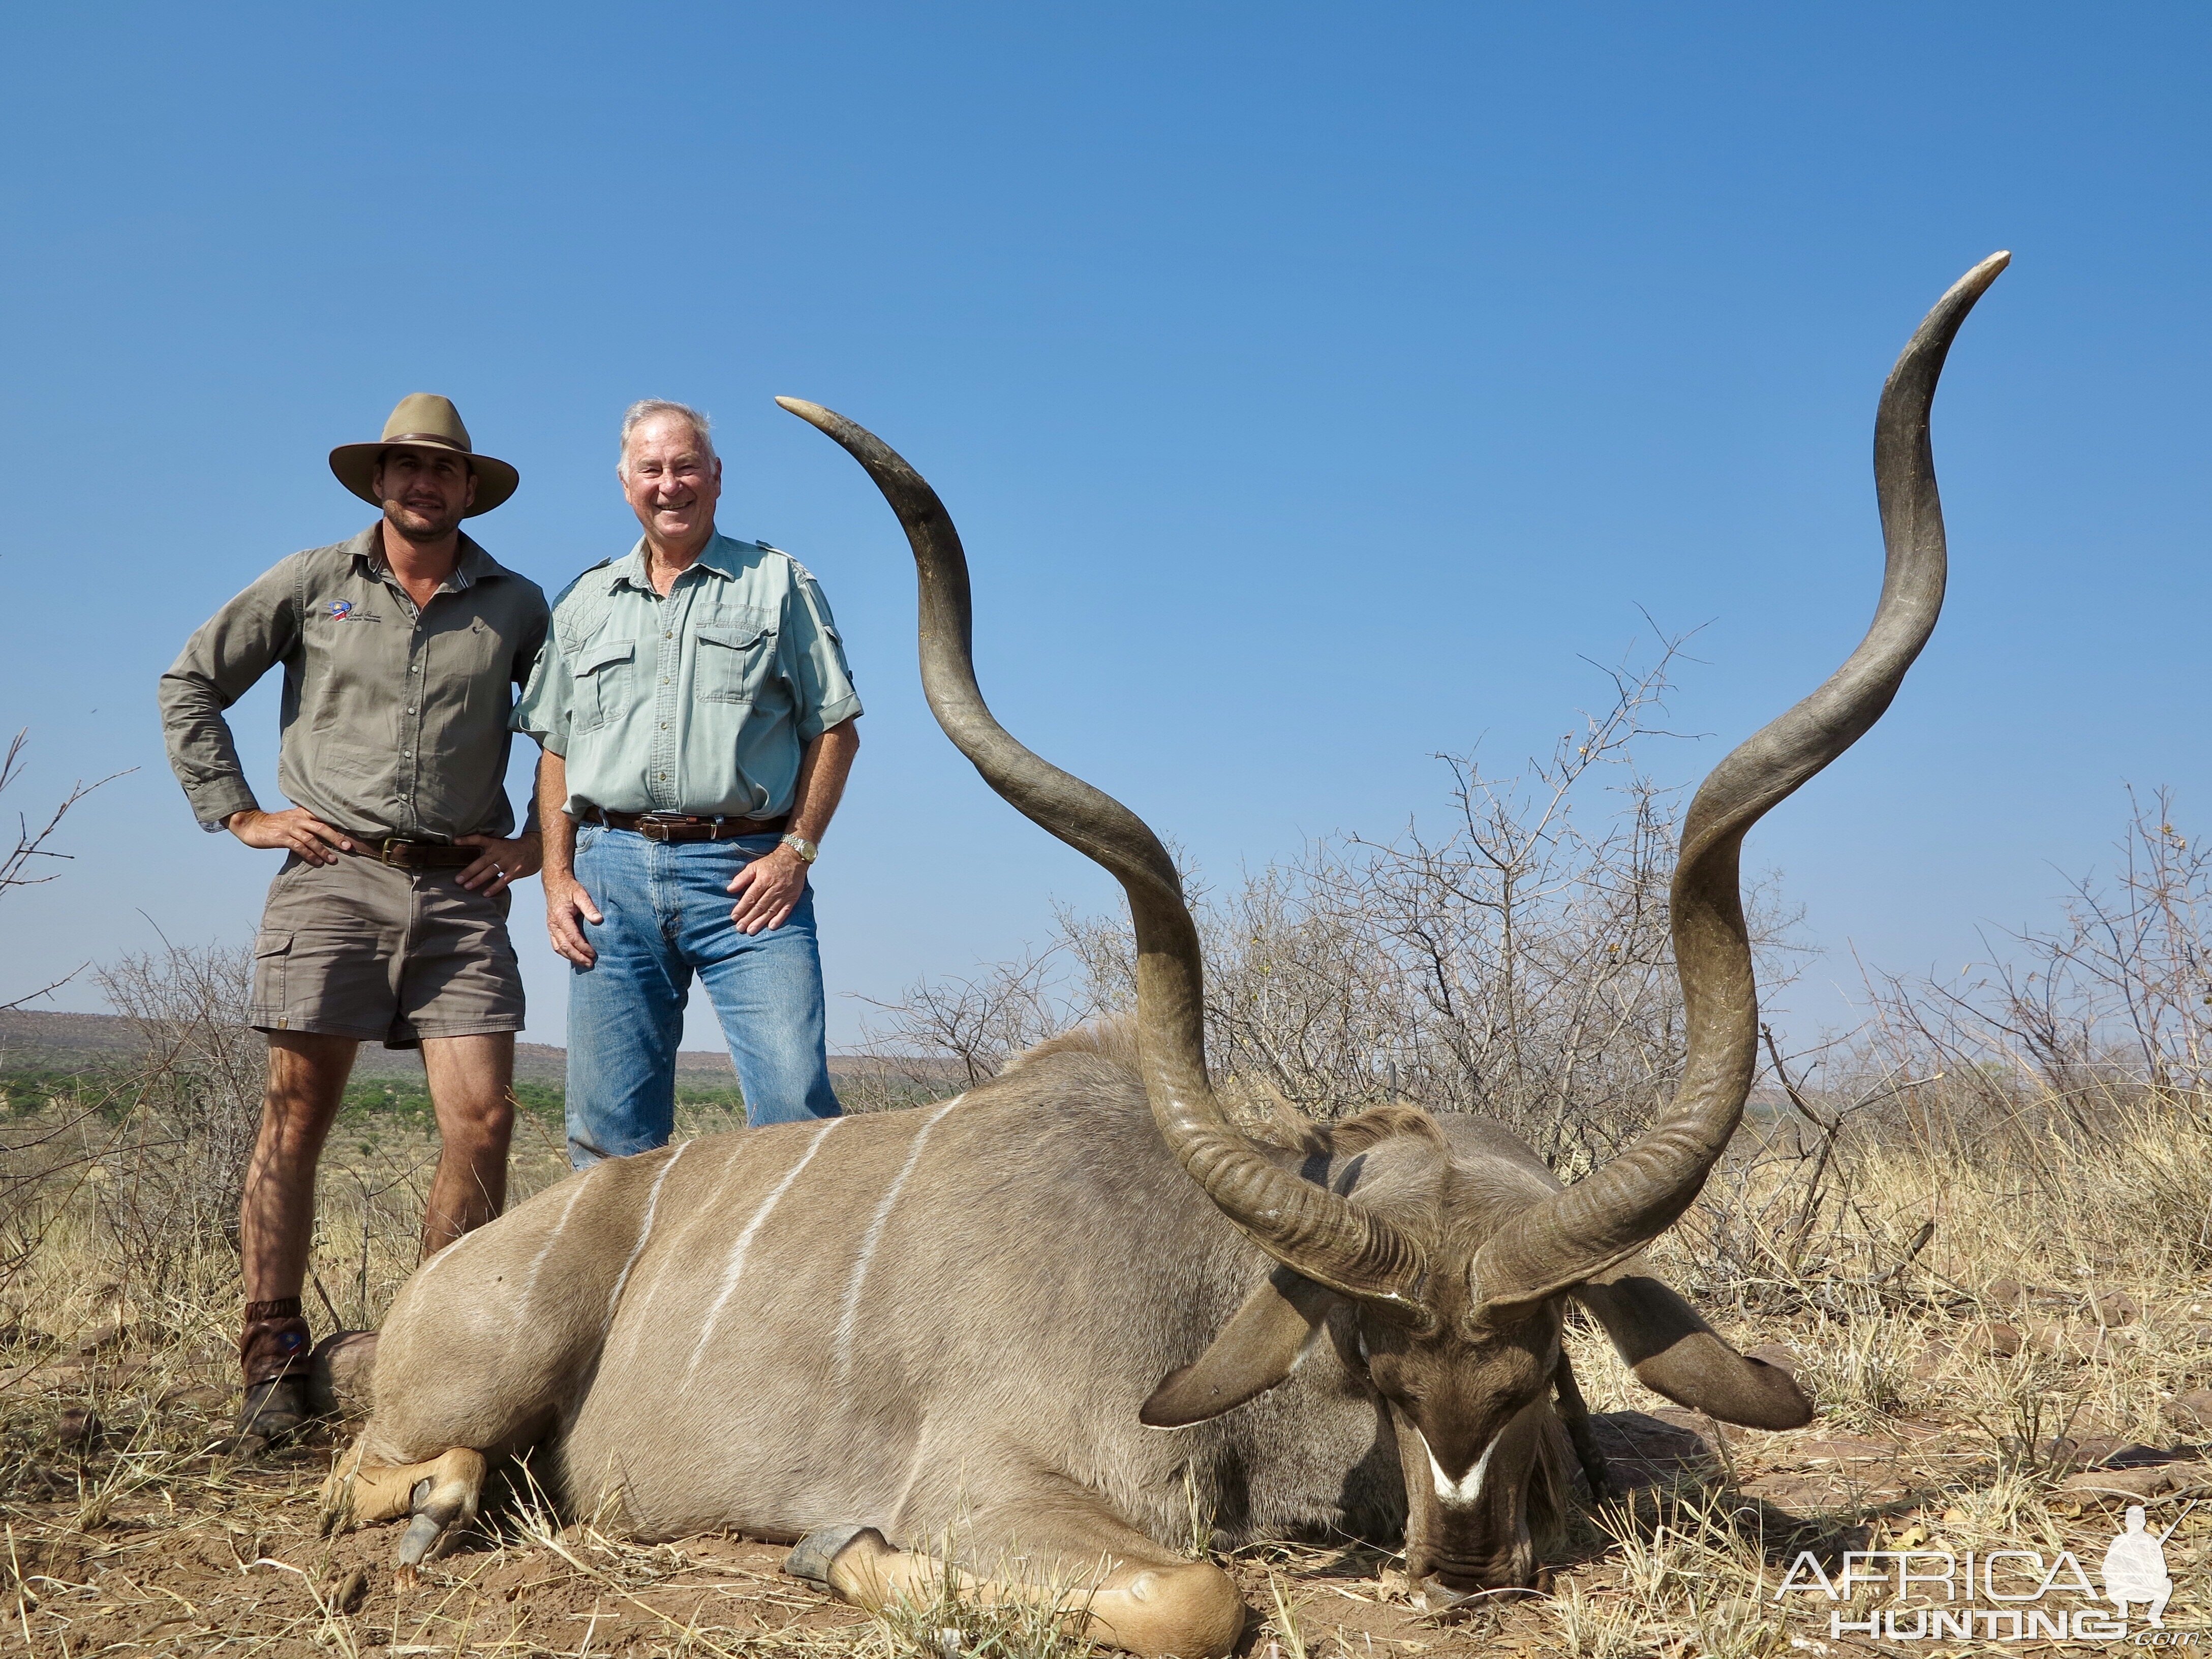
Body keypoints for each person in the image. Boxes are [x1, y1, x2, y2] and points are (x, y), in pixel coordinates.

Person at [159, 394, 548, 1445]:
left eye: (443, 470)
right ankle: (272, 1363)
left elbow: (572, 735)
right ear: (378, 481)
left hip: (463, 894)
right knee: (295, 1117)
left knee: (484, 1120)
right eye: (404, 467)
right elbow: (190, 683)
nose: (423, 484)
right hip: (331, 877)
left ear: (470, 488)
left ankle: (436, 1361)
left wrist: (537, 848)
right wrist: (237, 812)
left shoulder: (517, 606)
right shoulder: (313, 583)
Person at [516, 399, 860, 1165]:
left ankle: (798, 1288)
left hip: (747, 877)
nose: (670, 485)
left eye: (684, 467)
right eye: (652, 470)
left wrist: (796, 852)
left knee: (796, 1110)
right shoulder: (584, 602)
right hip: (612, 879)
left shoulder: (777, 583)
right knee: (609, 1138)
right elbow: (556, 750)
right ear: (625, 483)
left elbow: (835, 729)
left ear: (715, 476)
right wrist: (556, 876)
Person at [2102, 1504, 2174, 1627]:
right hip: (2124, 1588)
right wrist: (2124, 1574)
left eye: (2139, 1521)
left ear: (2144, 1522)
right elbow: (2107, 1567)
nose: (2135, 1524)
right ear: (2126, 1522)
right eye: (2132, 1521)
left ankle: (2154, 1615)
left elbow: (2162, 1567)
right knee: (2109, 1583)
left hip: (2147, 1588)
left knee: (2167, 1583)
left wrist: (2151, 1575)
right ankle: (2122, 1607)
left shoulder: (2150, 1541)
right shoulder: (2119, 1541)